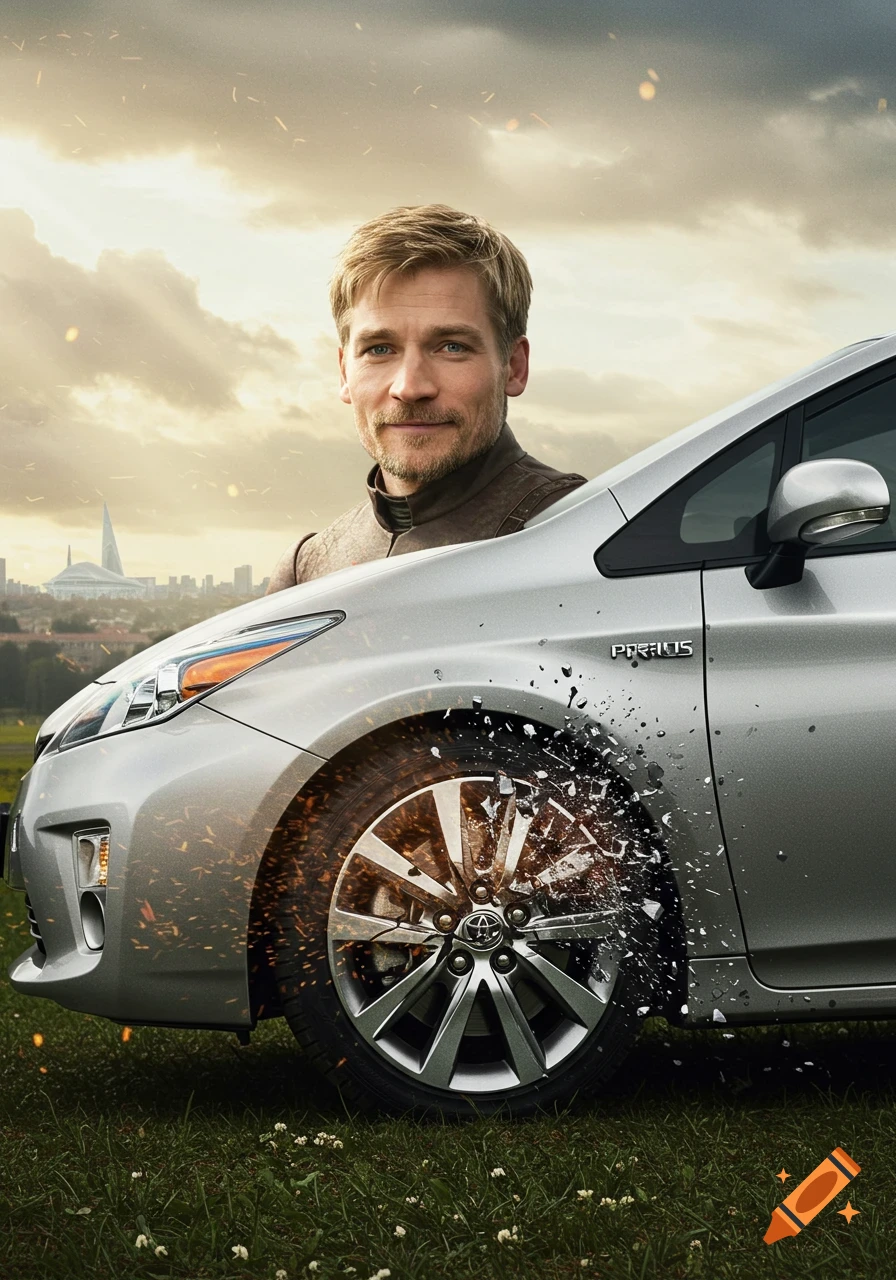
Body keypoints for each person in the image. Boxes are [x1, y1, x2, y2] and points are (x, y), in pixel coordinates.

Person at [265, 203, 587, 593]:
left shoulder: (588, 534)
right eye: (379, 349)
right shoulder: (307, 570)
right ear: (344, 372)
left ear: (514, 367)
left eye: (451, 346)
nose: (411, 387)